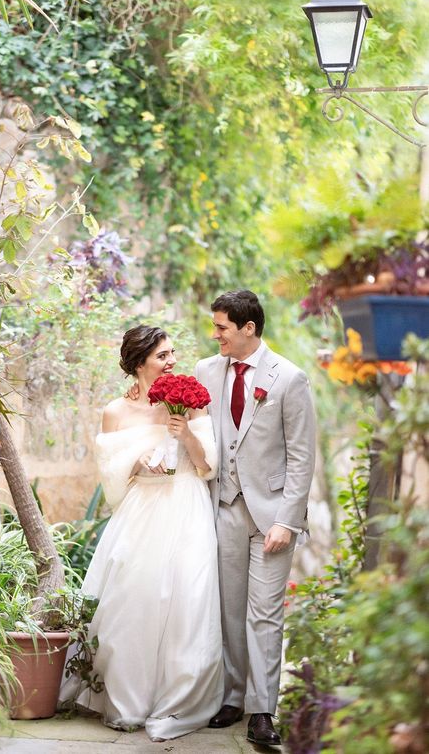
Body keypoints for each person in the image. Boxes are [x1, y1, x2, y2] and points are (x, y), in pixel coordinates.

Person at [59, 325, 223, 742]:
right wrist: (138, 464)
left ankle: (177, 698)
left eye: (172, 353)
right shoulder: (116, 411)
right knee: (134, 601)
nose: (171, 362)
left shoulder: (192, 402)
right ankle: (128, 700)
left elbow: (208, 467)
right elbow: (111, 473)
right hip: (141, 511)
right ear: (139, 362)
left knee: (188, 599)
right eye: (162, 356)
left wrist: (185, 433)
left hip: (186, 506)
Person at [198, 290, 316, 748]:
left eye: (223, 327)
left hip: (271, 517)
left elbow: (302, 456)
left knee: (264, 615)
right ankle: (232, 697)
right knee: (229, 611)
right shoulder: (207, 371)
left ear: (249, 328)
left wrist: (288, 519)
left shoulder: (289, 378)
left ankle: (262, 711)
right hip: (223, 507)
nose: (216, 335)